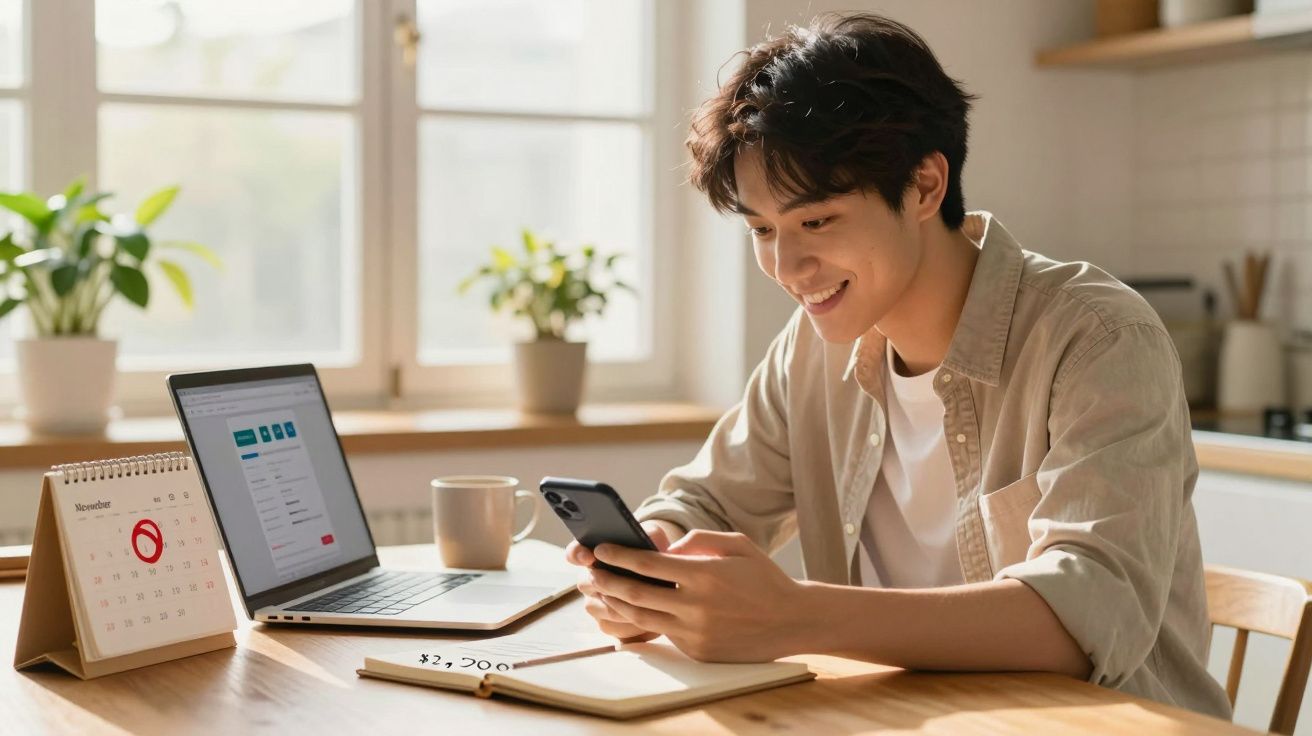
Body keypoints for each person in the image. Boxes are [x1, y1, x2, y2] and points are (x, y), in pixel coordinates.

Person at [564, 12, 1231, 720]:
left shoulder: (1098, 338)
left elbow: (1084, 615)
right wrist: (654, 557)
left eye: (816, 221)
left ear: (923, 186)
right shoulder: (810, 349)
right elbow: (708, 502)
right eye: (762, 229)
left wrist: (796, 616)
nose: (787, 267)